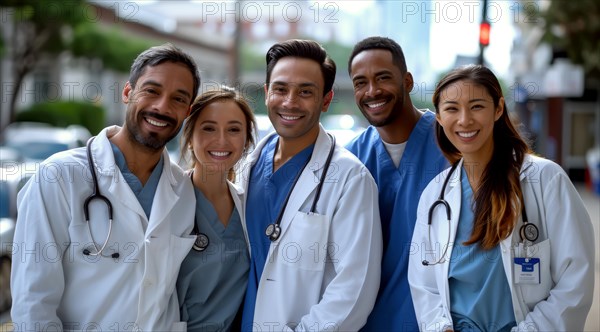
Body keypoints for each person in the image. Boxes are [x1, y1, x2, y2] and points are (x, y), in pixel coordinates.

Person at [11, 43, 201, 331]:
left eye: (178, 99)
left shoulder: (184, 191)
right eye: (151, 90)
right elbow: (33, 300)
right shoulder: (59, 176)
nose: (162, 107)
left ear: (187, 111)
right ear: (127, 93)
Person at [408, 64, 595, 331]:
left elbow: (575, 278)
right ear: (438, 117)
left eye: (476, 106)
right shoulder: (435, 195)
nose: (464, 120)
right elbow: (423, 281)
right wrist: (439, 326)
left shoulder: (545, 180)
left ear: (498, 109)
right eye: (451, 108)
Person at [238, 39, 382, 331]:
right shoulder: (245, 165)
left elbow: (354, 290)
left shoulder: (349, 179)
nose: (290, 102)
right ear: (267, 94)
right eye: (280, 89)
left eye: (305, 92)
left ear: (325, 100)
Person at [345, 36, 448, 330]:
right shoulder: (350, 159)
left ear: (407, 81)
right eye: (360, 82)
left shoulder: (450, 146)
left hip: (437, 320)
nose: (372, 91)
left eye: (383, 78)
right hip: (367, 321)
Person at [176, 87, 256, 331]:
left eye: (233, 129)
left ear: (246, 141)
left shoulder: (249, 206)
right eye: (209, 128)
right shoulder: (168, 203)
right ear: (190, 137)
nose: (221, 140)